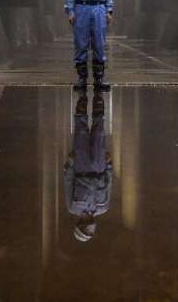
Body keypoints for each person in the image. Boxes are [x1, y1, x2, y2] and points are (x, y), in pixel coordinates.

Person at [64, 94, 112, 243]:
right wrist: (109, 165)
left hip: (81, 166)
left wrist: (70, 163)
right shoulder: (103, 208)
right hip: (99, 166)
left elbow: (68, 182)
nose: (92, 229)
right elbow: (109, 185)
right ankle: (99, 93)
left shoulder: (73, 207)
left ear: (81, 226)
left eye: (87, 231)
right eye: (91, 232)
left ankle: (82, 94)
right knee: (99, 130)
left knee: (81, 130)